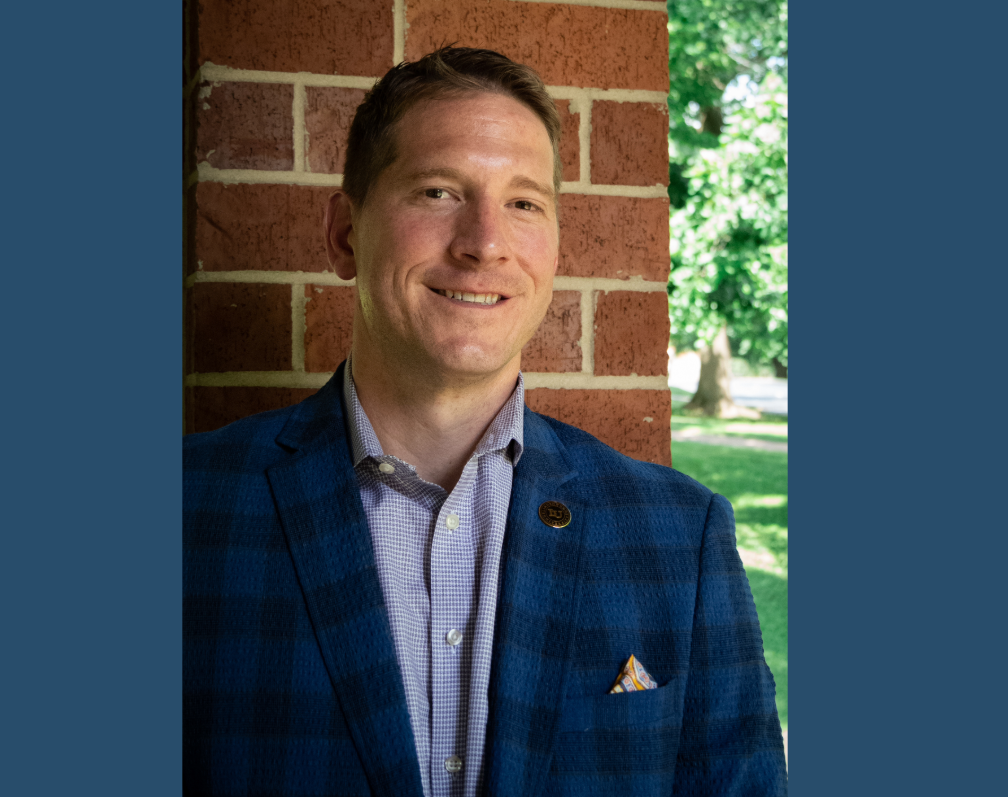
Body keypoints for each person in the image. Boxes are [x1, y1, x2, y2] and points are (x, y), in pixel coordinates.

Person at [184, 46, 787, 796]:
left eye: (524, 203)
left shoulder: (678, 539)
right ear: (344, 234)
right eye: (438, 191)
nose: (485, 242)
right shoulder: (189, 511)